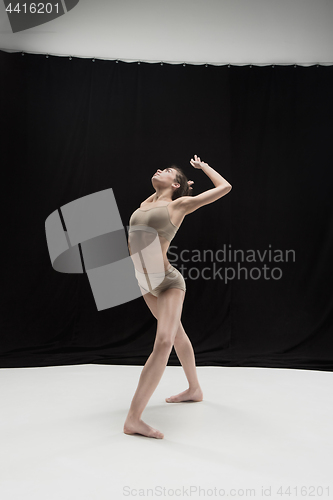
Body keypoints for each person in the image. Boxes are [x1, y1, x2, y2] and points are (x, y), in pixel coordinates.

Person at [123, 155, 232, 438]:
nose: (158, 169)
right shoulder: (146, 204)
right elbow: (159, 193)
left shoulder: (179, 205)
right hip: (146, 283)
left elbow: (224, 188)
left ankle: (134, 419)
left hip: (169, 283)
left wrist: (202, 168)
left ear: (175, 183)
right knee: (178, 335)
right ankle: (194, 389)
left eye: (167, 170)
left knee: (164, 341)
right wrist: (172, 183)